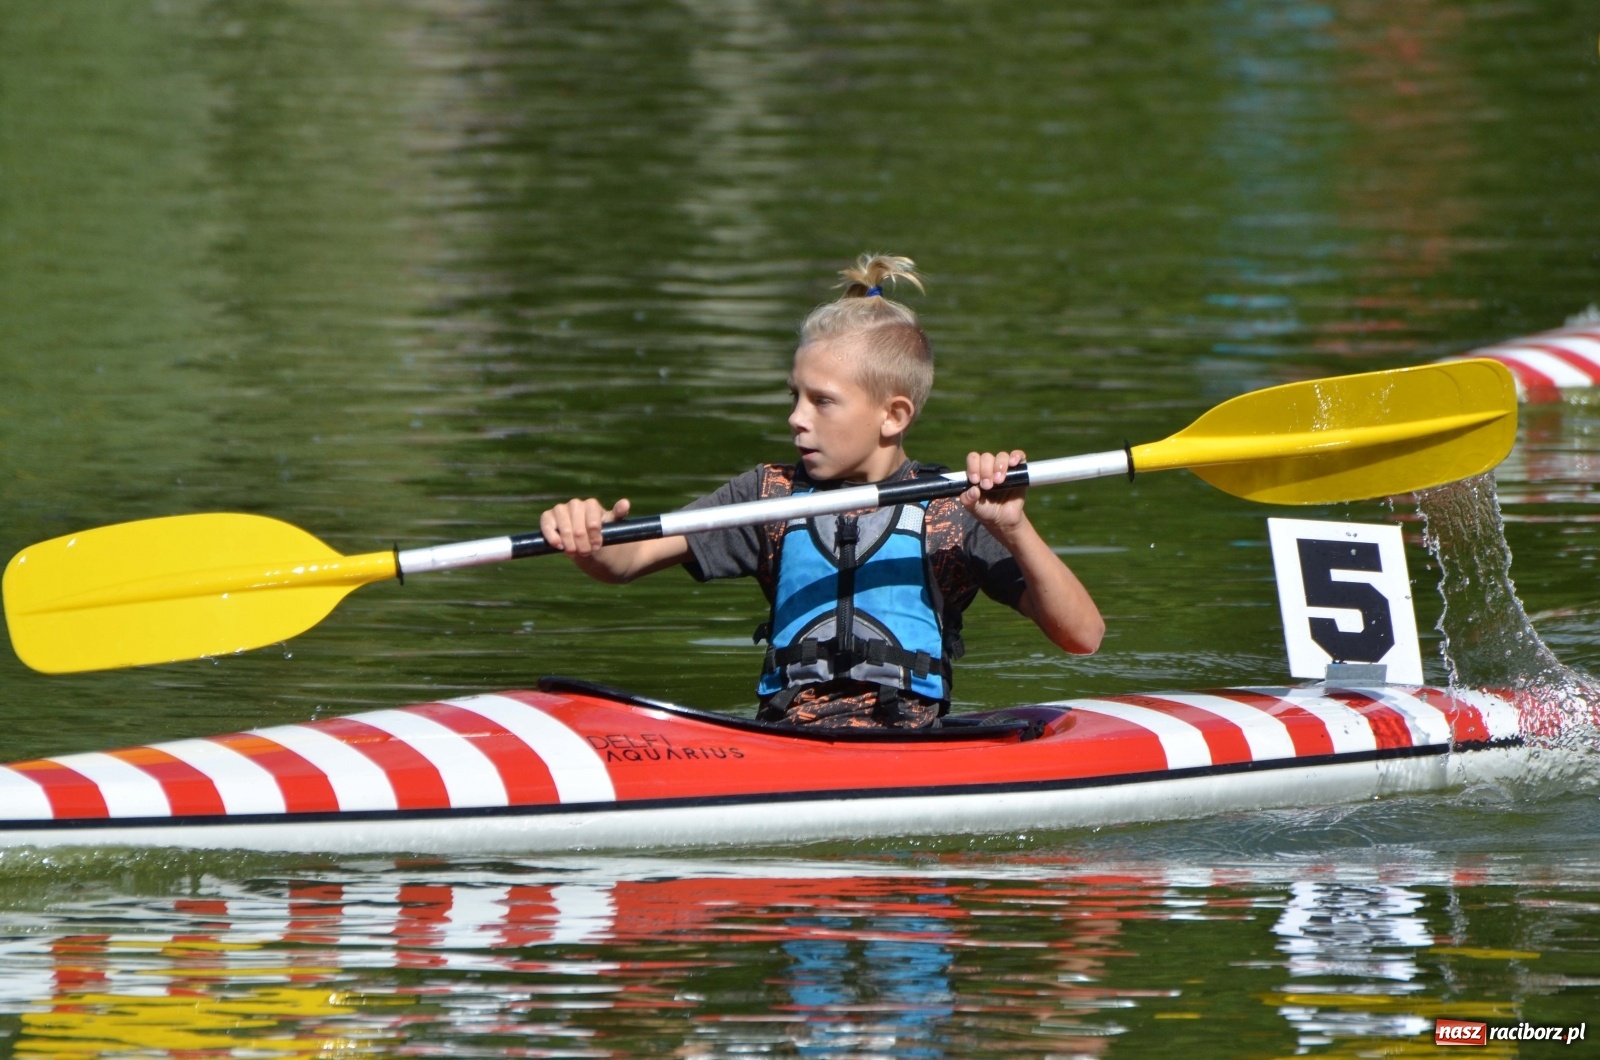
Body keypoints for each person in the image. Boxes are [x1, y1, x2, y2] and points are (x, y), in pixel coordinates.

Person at [539, 253, 1103, 729]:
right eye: (794, 397)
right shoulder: (767, 497)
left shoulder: (955, 509)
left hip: (909, 746)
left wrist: (1013, 528)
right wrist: (589, 539)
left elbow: (1082, 635)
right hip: (785, 740)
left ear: (893, 416)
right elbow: (628, 559)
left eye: (822, 401)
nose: (796, 419)